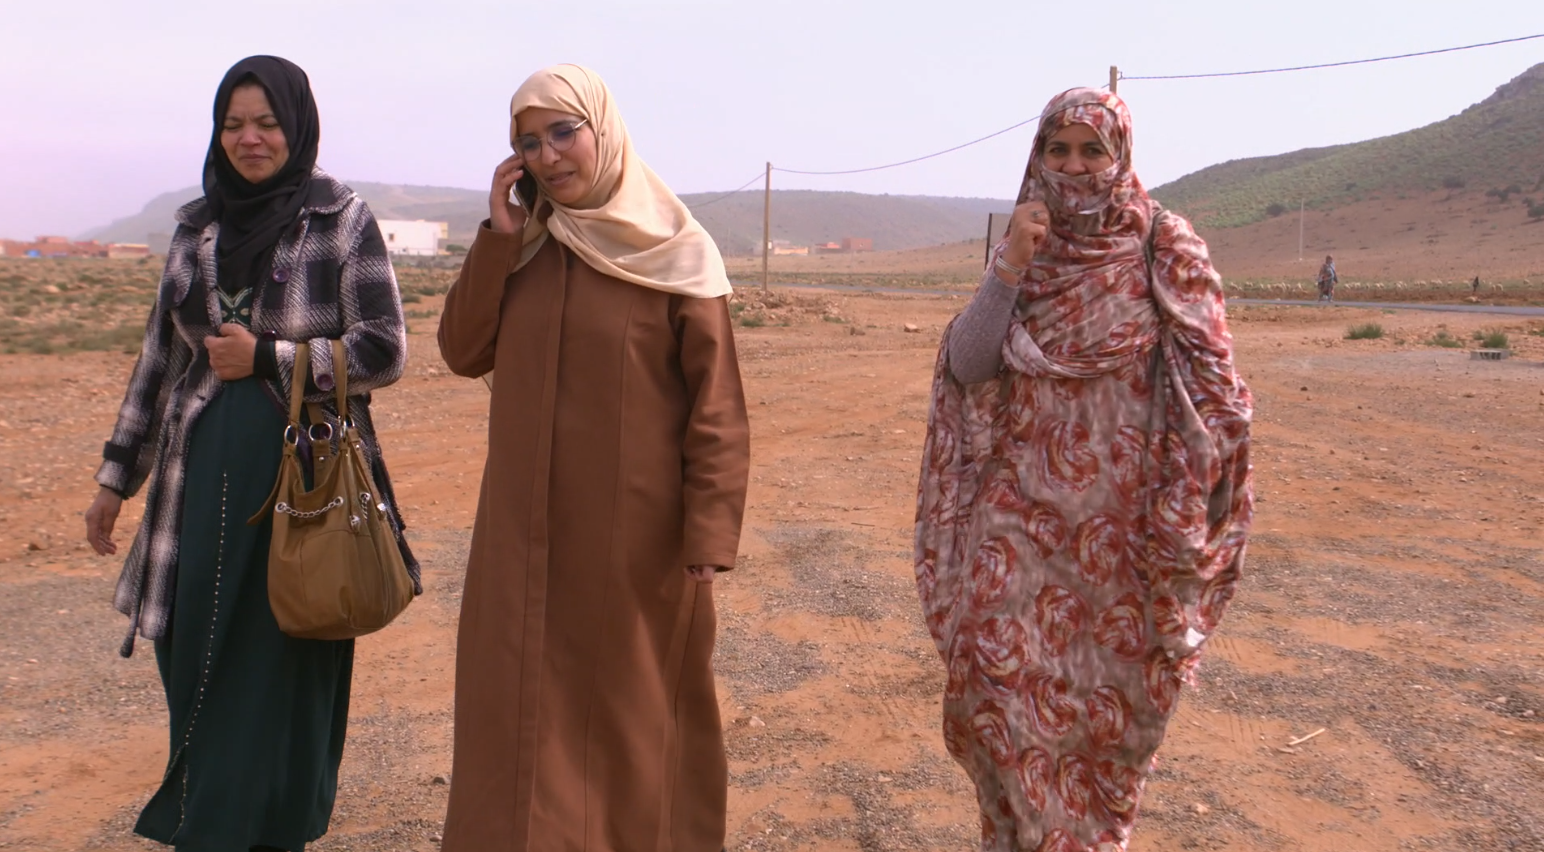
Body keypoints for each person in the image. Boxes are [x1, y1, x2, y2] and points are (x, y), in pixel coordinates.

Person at [81, 55, 418, 852]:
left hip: (305, 483)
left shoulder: (341, 218)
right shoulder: (196, 228)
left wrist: (269, 357)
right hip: (196, 482)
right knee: (195, 656)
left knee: (282, 669)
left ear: (296, 125)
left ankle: (260, 833)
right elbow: (158, 363)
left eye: (266, 122)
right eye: (234, 124)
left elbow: (385, 349)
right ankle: (213, 826)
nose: (250, 139)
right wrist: (114, 479)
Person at [914, 88, 1254, 852]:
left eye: (1090, 150)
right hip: (1018, 522)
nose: (1073, 166)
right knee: (996, 696)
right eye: (1056, 150)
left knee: (1105, 714)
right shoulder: (1025, 249)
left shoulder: (1166, 246)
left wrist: (1191, 509)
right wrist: (1008, 268)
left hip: (1122, 531)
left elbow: (1219, 394)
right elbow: (970, 367)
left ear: (1120, 157)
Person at [436, 64, 750, 852]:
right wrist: (499, 240)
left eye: (563, 133)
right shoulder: (527, 248)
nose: (547, 156)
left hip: (634, 543)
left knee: (630, 718)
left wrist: (709, 534)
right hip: (521, 540)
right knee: (516, 718)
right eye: (528, 143)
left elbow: (716, 409)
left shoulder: (677, 253)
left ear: (602, 131)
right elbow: (462, 349)